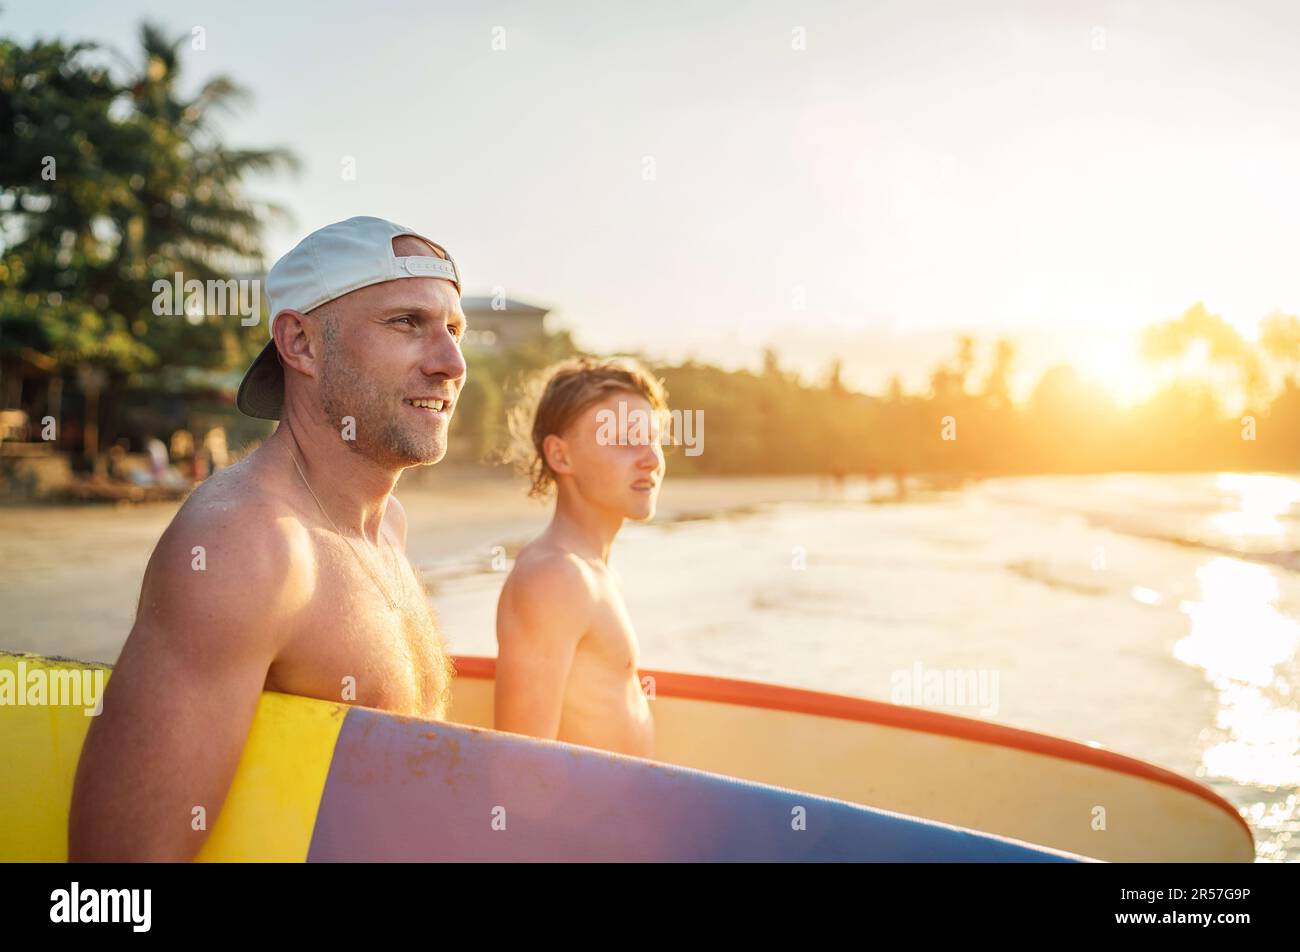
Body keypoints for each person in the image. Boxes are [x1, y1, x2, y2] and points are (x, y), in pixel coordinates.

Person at [69, 217, 466, 860]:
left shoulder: (385, 528)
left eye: (454, 329)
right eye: (406, 323)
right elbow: (112, 888)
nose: (452, 363)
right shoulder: (245, 547)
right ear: (301, 344)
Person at [494, 357, 667, 758]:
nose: (652, 459)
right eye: (625, 439)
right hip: (590, 821)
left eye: (654, 438)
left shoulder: (593, 571)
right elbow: (522, 769)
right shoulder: (556, 576)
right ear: (561, 456)